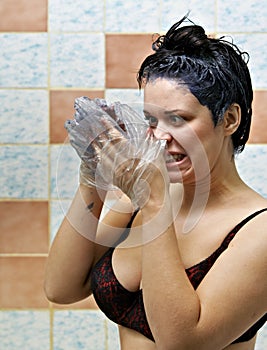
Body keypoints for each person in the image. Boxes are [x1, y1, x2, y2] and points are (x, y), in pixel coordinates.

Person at [44, 15, 267, 350]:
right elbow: (61, 288)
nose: (159, 138)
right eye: (151, 120)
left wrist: (155, 205)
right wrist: (92, 180)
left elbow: (182, 343)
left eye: (178, 119)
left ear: (230, 119)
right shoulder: (139, 197)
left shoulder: (257, 231)